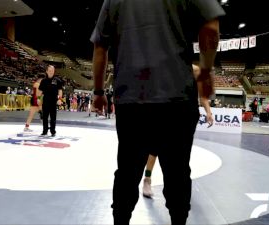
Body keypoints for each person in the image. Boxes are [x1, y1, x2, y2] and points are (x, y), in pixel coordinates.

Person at [91, 1, 224, 224]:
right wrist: (206, 71)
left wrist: (98, 91)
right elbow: (210, 27)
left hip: (132, 99)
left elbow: (100, 47)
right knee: (178, 174)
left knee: (126, 174)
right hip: (177, 97)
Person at [141, 64, 214, 198]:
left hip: (185, 116)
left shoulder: (196, 70)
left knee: (181, 154)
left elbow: (202, 96)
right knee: (154, 149)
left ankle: (177, 187)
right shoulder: (163, 66)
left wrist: (208, 112)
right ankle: (147, 179)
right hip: (163, 113)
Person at [38, 65, 63, 137]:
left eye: (52, 70)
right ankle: (44, 131)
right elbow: (40, 91)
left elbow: (60, 90)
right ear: (46, 71)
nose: (51, 72)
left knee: (53, 117)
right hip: (45, 100)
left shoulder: (58, 80)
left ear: (54, 71)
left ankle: (53, 131)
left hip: (54, 101)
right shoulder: (43, 81)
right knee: (45, 117)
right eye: (50, 70)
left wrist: (60, 99)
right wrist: (39, 99)